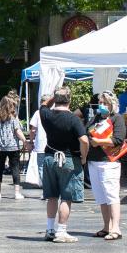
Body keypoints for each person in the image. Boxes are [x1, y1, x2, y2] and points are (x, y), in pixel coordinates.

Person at [38, 88, 88, 242]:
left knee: (52, 196)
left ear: (55, 99)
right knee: (66, 197)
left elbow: (44, 105)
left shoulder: (46, 114)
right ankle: (61, 231)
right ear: (70, 101)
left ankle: (49, 229)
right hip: (68, 159)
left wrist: (54, 96)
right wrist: (84, 157)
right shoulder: (73, 119)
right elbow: (85, 140)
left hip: (49, 158)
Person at [87, 91, 127, 240]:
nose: (102, 105)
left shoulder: (117, 118)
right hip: (94, 161)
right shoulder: (96, 117)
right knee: (100, 197)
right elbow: (87, 131)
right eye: (100, 102)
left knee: (111, 195)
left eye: (105, 103)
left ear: (112, 105)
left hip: (109, 162)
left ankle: (116, 228)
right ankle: (106, 226)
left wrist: (100, 142)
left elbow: (118, 139)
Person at [0, 95, 25, 200]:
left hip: (0, 147)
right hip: (13, 146)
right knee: (15, 168)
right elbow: (18, 131)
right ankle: (16, 193)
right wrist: (25, 141)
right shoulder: (13, 118)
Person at [26, 89, 54, 191]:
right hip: (53, 144)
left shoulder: (38, 113)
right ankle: (52, 187)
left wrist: (31, 141)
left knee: (41, 167)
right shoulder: (54, 112)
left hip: (41, 145)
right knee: (51, 167)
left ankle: (46, 189)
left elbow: (33, 129)